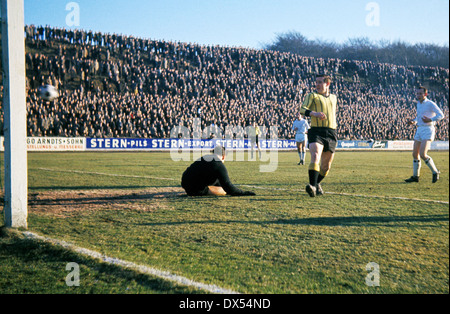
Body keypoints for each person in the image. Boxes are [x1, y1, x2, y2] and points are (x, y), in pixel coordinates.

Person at [299, 74, 338, 197]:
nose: (317, 85)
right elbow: (302, 110)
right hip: (316, 131)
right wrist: (315, 114)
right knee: (315, 155)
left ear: (327, 84)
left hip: (331, 132)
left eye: (320, 82)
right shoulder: (312, 95)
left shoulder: (334, 97)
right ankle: (312, 186)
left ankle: (316, 184)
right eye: (316, 82)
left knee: (326, 167)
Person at [405, 86, 444, 183]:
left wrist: (430, 119)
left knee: (422, 154)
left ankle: (435, 172)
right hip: (419, 129)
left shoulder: (430, 103)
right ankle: (415, 177)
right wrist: (413, 121)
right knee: (415, 154)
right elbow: (419, 117)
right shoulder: (418, 104)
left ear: (425, 94)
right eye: (417, 93)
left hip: (428, 129)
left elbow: (441, 115)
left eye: (420, 93)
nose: (418, 95)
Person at [181, 146, 256, 196]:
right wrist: (244, 193)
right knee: (223, 191)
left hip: (185, 182)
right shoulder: (219, 165)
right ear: (223, 156)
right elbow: (229, 188)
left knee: (218, 181)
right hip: (195, 190)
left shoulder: (206, 157)